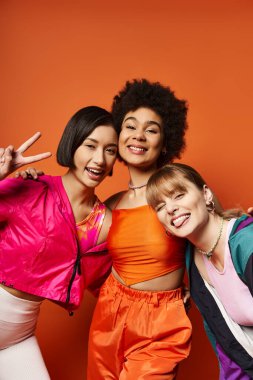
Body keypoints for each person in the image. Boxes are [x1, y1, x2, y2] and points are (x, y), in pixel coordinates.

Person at [0, 106, 118, 380]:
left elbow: (112, 287)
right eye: (90, 145)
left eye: (110, 150)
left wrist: (168, 293)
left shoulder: (106, 224)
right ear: (72, 144)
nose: (99, 159)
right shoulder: (30, 187)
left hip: (18, 334)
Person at [87, 79, 192, 380]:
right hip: (108, 316)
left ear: (165, 142)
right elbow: (66, 236)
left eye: (152, 129)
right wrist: (25, 186)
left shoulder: (179, 192)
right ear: (118, 135)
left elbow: (215, 235)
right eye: (130, 126)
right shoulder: (109, 205)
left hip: (161, 322)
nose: (139, 136)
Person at [146, 163, 253, 380]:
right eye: (160, 206)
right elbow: (228, 346)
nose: (170, 209)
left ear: (205, 195)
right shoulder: (194, 262)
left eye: (178, 195)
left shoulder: (245, 242)